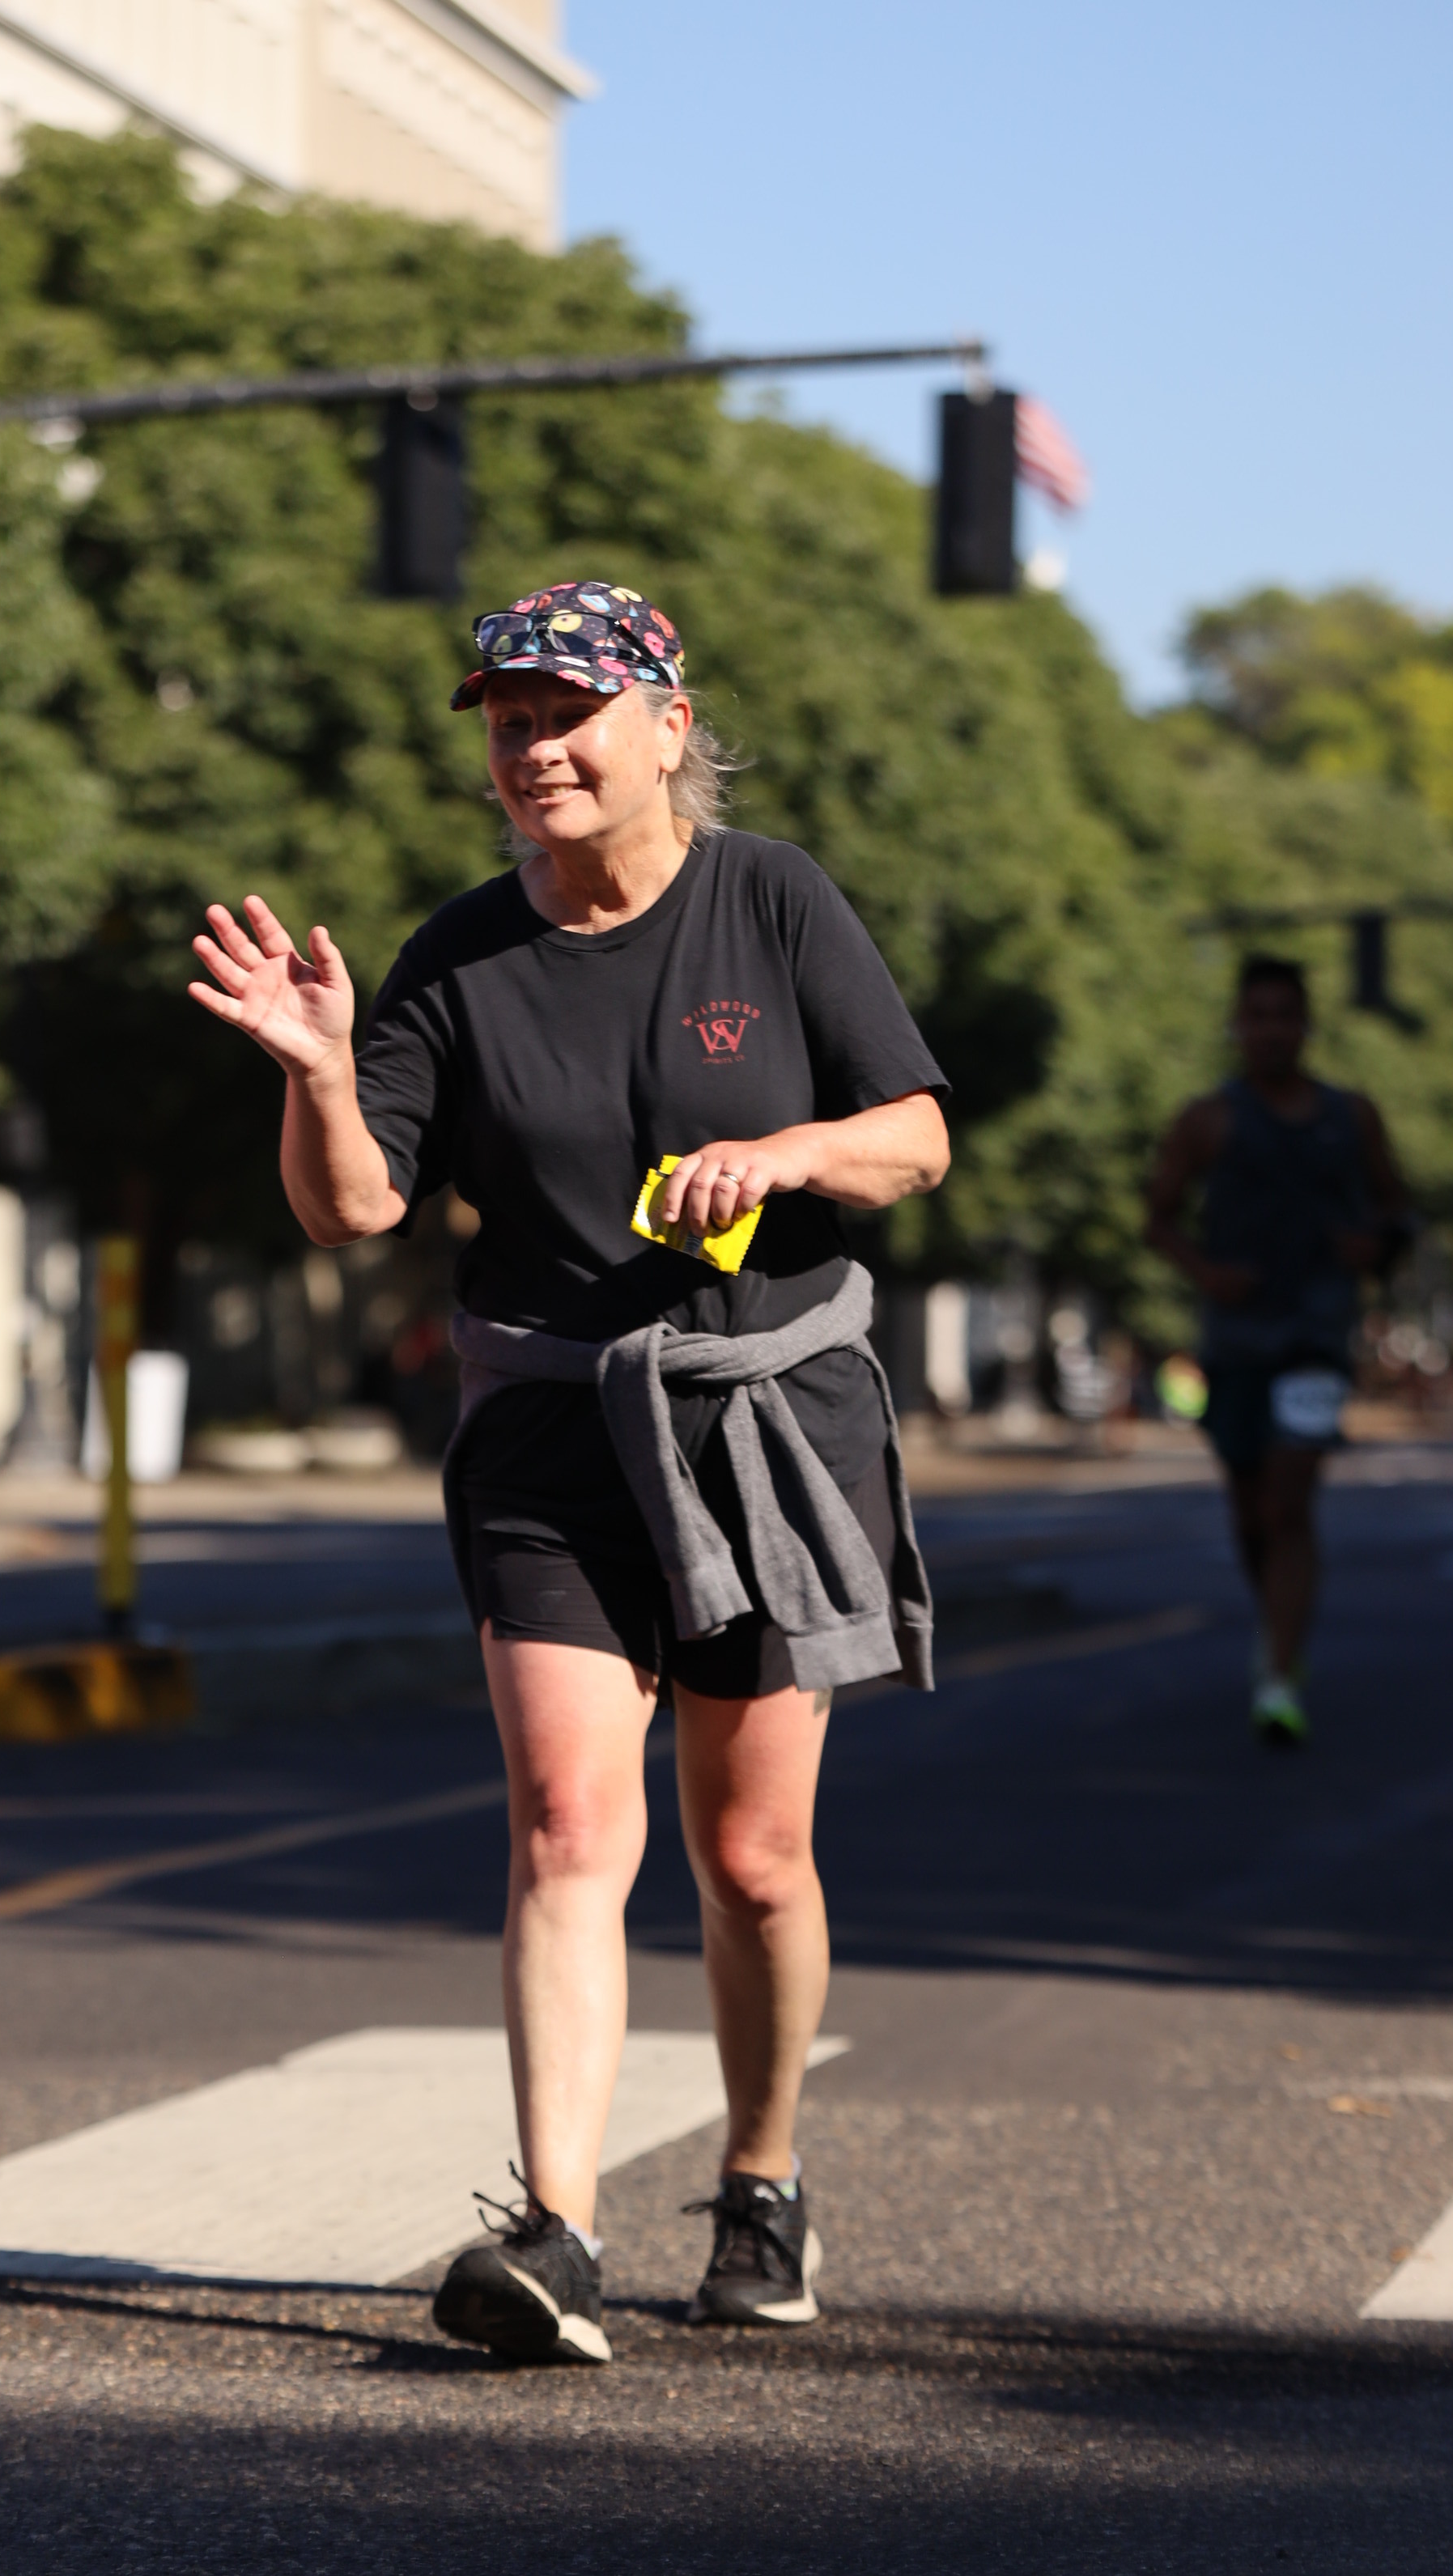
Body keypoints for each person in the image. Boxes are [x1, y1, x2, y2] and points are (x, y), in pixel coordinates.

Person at [190, 579, 947, 2365]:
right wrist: (316, 1073)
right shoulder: (456, 956)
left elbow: (916, 1140)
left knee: (751, 1855)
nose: (533, 749)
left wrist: (786, 1152)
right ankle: (558, 2229)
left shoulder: (771, 900)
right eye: (509, 722)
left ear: (667, 728)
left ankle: (762, 2174)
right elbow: (353, 1206)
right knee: (566, 1827)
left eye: (567, 714)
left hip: (763, 1421)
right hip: (549, 1422)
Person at [1146, 953, 1408, 1745]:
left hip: (1316, 1336)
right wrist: (1206, 1272)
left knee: (1289, 1501)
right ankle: (1279, 1626)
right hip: (1236, 1340)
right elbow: (1158, 1218)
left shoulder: (1352, 1117)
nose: (1270, 1031)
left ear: (1306, 1026)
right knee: (1251, 1509)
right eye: (1256, 1016)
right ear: (1237, 1026)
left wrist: (1377, 1246)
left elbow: (1398, 1208)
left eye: (1284, 1016)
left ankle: (1279, 1676)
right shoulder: (1207, 1121)